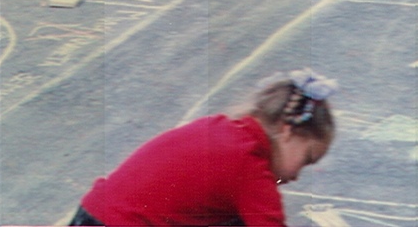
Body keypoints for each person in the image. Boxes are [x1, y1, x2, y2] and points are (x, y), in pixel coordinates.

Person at [69, 69, 336, 226]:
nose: (297, 175)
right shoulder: (249, 167)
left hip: (92, 215)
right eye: (306, 158)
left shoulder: (220, 128)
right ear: (287, 132)